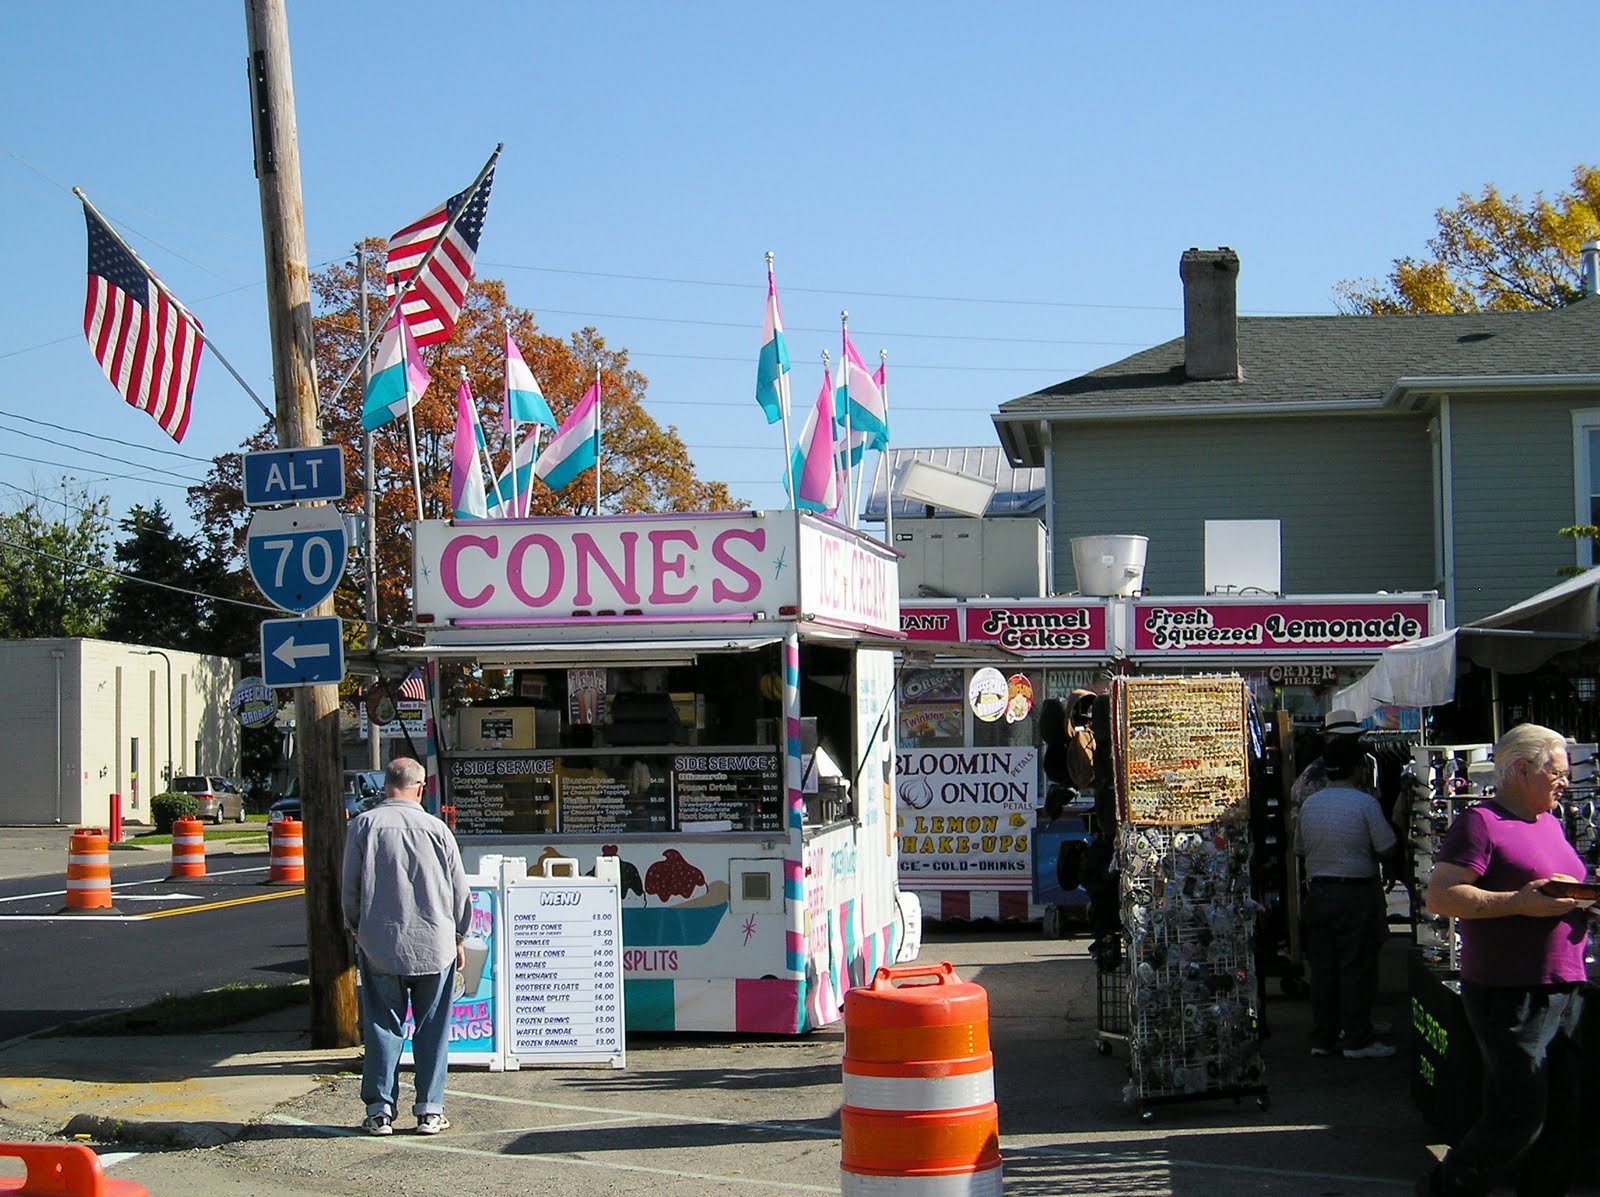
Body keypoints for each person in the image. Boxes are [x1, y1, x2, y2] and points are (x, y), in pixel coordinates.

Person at [1416, 724, 1589, 1197]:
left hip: (1563, 986)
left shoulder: (1549, 821)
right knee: (1520, 1117)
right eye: (1556, 772)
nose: (1565, 783)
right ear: (1520, 770)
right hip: (1512, 990)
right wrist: (1517, 901)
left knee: (1564, 1115)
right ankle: (1446, 1189)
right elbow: (1441, 895)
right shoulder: (1480, 822)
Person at [341, 757, 470, 1137]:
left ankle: (380, 1111)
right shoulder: (438, 829)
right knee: (432, 1028)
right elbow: (459, 891)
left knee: (383, 1024)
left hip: (380, 940)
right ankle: (430, 1109)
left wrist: (355, 928)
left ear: (386, 786)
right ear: (420, 788)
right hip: (435, 942)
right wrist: (460, 936)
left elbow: (350, 888)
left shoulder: (363, 826)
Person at [1296, 729, 1398, 1059]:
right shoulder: (1365, 803)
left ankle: (1323, 1037)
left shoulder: (1311, 804)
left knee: (1323, 971)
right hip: (1355, 892)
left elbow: (1299, 848)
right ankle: (1357, 1038)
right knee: (1356, 967)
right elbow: (1387, 847)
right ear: (1357, 769)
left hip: (1319, 892)